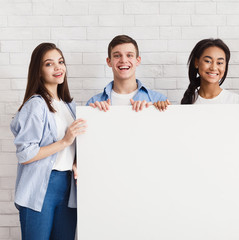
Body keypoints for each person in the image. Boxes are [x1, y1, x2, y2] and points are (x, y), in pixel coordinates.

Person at [10, 43, 86, 240]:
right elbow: (25, 154)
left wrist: (76, 162)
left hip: (67, 187)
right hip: (41, 187)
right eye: (49, 64)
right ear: (39, 71)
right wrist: (64, 141)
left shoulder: (69, 105)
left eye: (60, 62)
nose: (58, 67)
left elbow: (74, 149)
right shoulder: (36, 104)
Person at [87, 35, 169, 111]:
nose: (123, 60)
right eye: (117, 56)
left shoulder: (158, 100)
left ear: (137, 61)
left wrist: (154, 112)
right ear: (109, 61)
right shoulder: (94, 103)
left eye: (129, 55)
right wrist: (95, 114)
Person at [181, 38, 239, 104]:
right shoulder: (188, 101)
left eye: (219, 63)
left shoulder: (236, 101)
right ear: (196, 62)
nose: (213, 68)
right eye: (208, 61)